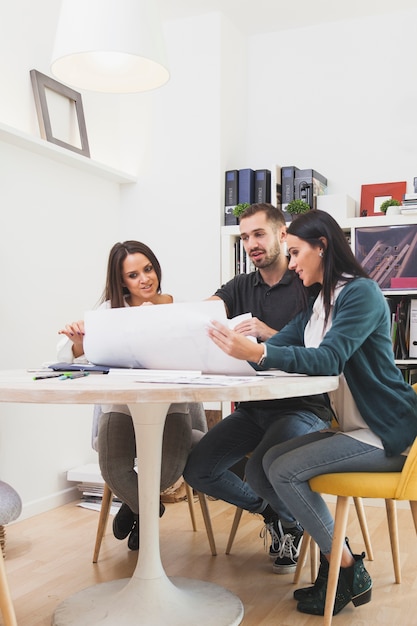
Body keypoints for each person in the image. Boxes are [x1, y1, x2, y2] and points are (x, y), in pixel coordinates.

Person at [206, 209, 417, 616]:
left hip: (387, 432)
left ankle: (345, 567)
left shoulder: (361, 293)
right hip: (354, 429)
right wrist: (226, 347)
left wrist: (262, 351)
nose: (294, 262)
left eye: (297, 252)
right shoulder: (319, 304)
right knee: (258, 469)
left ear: (322, 247)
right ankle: (340, 558)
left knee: (282, 469)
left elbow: (330, 357)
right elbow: (279, 350)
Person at [184, 203, 333, 574]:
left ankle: (291, 518)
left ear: (283, 236)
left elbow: (323, 352)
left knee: (260, 470)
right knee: (198, 470)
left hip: (303, 407)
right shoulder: (239, 287)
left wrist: (267, 337)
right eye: (245, 236)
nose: (251, 243)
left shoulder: (307, 282)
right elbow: (203, 313)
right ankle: (278, 513)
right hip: (253, 408)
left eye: (258, 234)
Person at [58, 240, 206, 551]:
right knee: (112, 469)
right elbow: (68, 356)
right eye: (133, 275)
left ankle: (136, 509)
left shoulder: (179, 308)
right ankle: (148, 509)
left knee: (166, 473)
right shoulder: (109, 312)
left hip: (171, 408)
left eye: (148, 269)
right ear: (121, 280)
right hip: (122, 407)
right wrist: (77, 343)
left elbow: (197, 356)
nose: (144, 279)